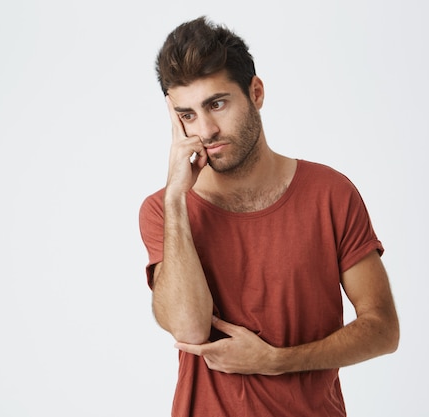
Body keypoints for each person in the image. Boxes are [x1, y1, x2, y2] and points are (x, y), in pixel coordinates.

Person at [138, 16, 399, 417]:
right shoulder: (164, 210)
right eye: (187, 115)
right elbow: (189, 328)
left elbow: (382, 329)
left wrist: (275, 361)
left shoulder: (330, 193)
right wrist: (176, 198)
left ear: (255, 92)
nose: (205, 130)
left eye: (217, 104)